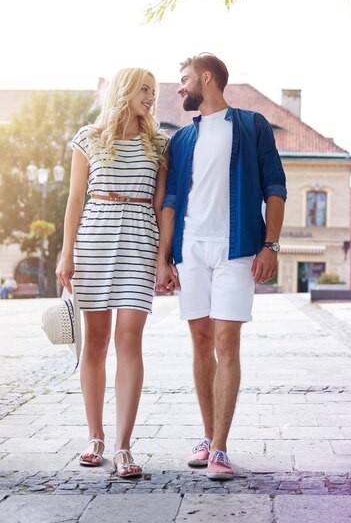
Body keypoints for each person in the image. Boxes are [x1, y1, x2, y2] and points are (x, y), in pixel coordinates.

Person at [156, 54, 286, 481]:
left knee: (227, 341)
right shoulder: (181, 141)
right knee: (200, 341)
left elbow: (275, 187)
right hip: (192, 250)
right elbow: (172, 202)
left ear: (206, 79)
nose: (180, 89)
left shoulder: (252, 126)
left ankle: (221, 449)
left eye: (185, 80)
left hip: (237, 249)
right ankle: (208, 437)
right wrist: (165, 258)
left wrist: (270, 245)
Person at [56, 68, 169, 478]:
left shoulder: (159, 144)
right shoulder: (88, 138)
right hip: (94, 242)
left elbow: (160, 207)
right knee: (95, 343)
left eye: (154, 92)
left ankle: (123, 445)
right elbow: (74, 200)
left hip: (140, 241)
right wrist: (66, 252)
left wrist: (163, 259)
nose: (151, 98)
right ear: (124, 90)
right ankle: (95, 437)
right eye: (145, 89)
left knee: (129, 342)